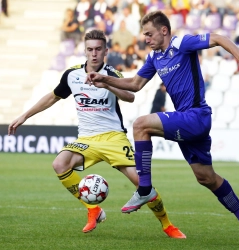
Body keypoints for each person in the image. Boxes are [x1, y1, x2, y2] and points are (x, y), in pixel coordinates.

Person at [85, 11, 239, 244]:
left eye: (149, 34)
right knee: (205, 177)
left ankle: (145, 188)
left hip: (196, 116)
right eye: (144, 35)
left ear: (164, 30)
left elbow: (218, 38)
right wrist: (105, 79)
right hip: (186, 119)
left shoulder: (182, 43)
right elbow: (135, 85)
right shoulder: (154, 57)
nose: (146, 39)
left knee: (140, 125)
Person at [8, 29, 185, 239]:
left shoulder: (111, 73)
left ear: (105, 51)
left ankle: (167, 225)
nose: (94, 54)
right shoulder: (72, 75)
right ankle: (93, 209)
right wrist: (25, 115)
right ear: (85, 51)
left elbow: (130, 97)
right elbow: (53, 97)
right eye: (90, 49)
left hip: (113, 137)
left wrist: (107, 83)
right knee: (59, 164)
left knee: (142, 183)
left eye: (98, 49)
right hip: (86, 139)